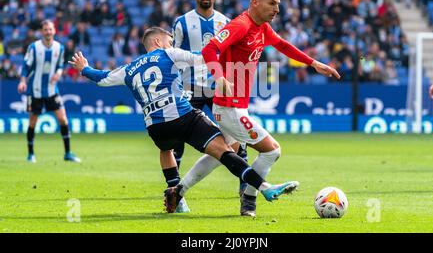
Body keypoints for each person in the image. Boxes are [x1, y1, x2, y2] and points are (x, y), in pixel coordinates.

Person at [69, 26, 299, 214]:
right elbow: (201, 58)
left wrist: (84, 67)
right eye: (169, 41)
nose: (172, 44)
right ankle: (265, 187)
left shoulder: (128, 69)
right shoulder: (167, 53)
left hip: (155, 126)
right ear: (158, 42)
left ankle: (175, 196)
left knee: (166, 150)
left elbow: (101, 79)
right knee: (226, 150)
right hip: (183, 115)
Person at [174, 0, 340, 217]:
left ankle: (178, 191)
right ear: (255, 2)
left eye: (278, 4)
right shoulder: (241, 25)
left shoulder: (261, 28)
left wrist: (313, 63)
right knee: (272, 151)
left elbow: (282, 45)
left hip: (236, 106)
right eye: (272, 3)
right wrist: (219, 76)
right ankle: (249, 200)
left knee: (222, 153)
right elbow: (210, 49)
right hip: (229, 106)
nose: (277, 9)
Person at [172, 0, 249, 205]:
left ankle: (245, 188)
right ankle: (174, 189)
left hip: (217, 87)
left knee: (237, 136)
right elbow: (173, 56)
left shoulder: (226, 22)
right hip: (189, 88)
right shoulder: (182, 23)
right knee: (178, 138)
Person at [17, 20, 81, 163]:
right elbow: (26, 66)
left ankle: (68, 153)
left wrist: (58, 73)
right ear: (41, 31)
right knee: (33, 121)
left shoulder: (60, 48)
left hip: (52, 90)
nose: (48, 32)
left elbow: (60, 65)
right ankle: (31, 154)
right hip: (35, 90)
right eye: (45, 29)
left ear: (54, 31)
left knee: (63, 119)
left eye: (50, 29)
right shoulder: (34, 48)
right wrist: (22, 81)